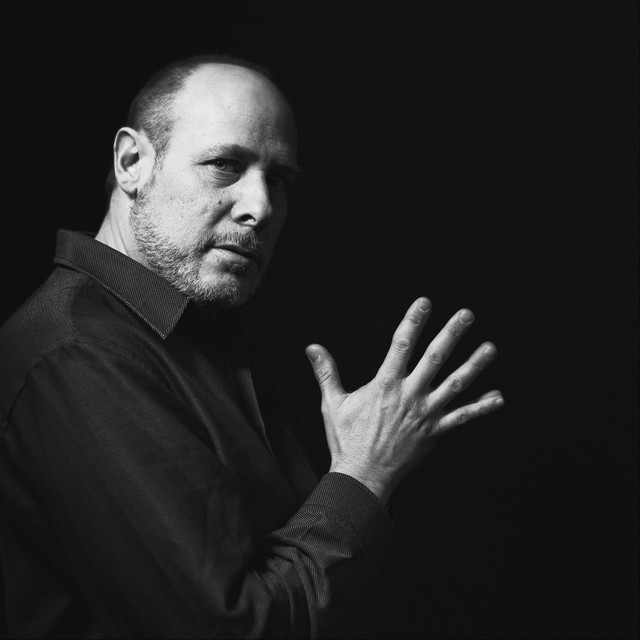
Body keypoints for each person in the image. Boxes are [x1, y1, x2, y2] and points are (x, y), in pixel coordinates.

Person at [0, 54, 504, 638]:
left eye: (279, 180)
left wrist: (357, 468)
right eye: (224, 165)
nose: (260, 208)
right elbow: (230, 629)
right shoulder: (78, 354)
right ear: (132, 162)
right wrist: (365, 475)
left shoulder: (202, 332)